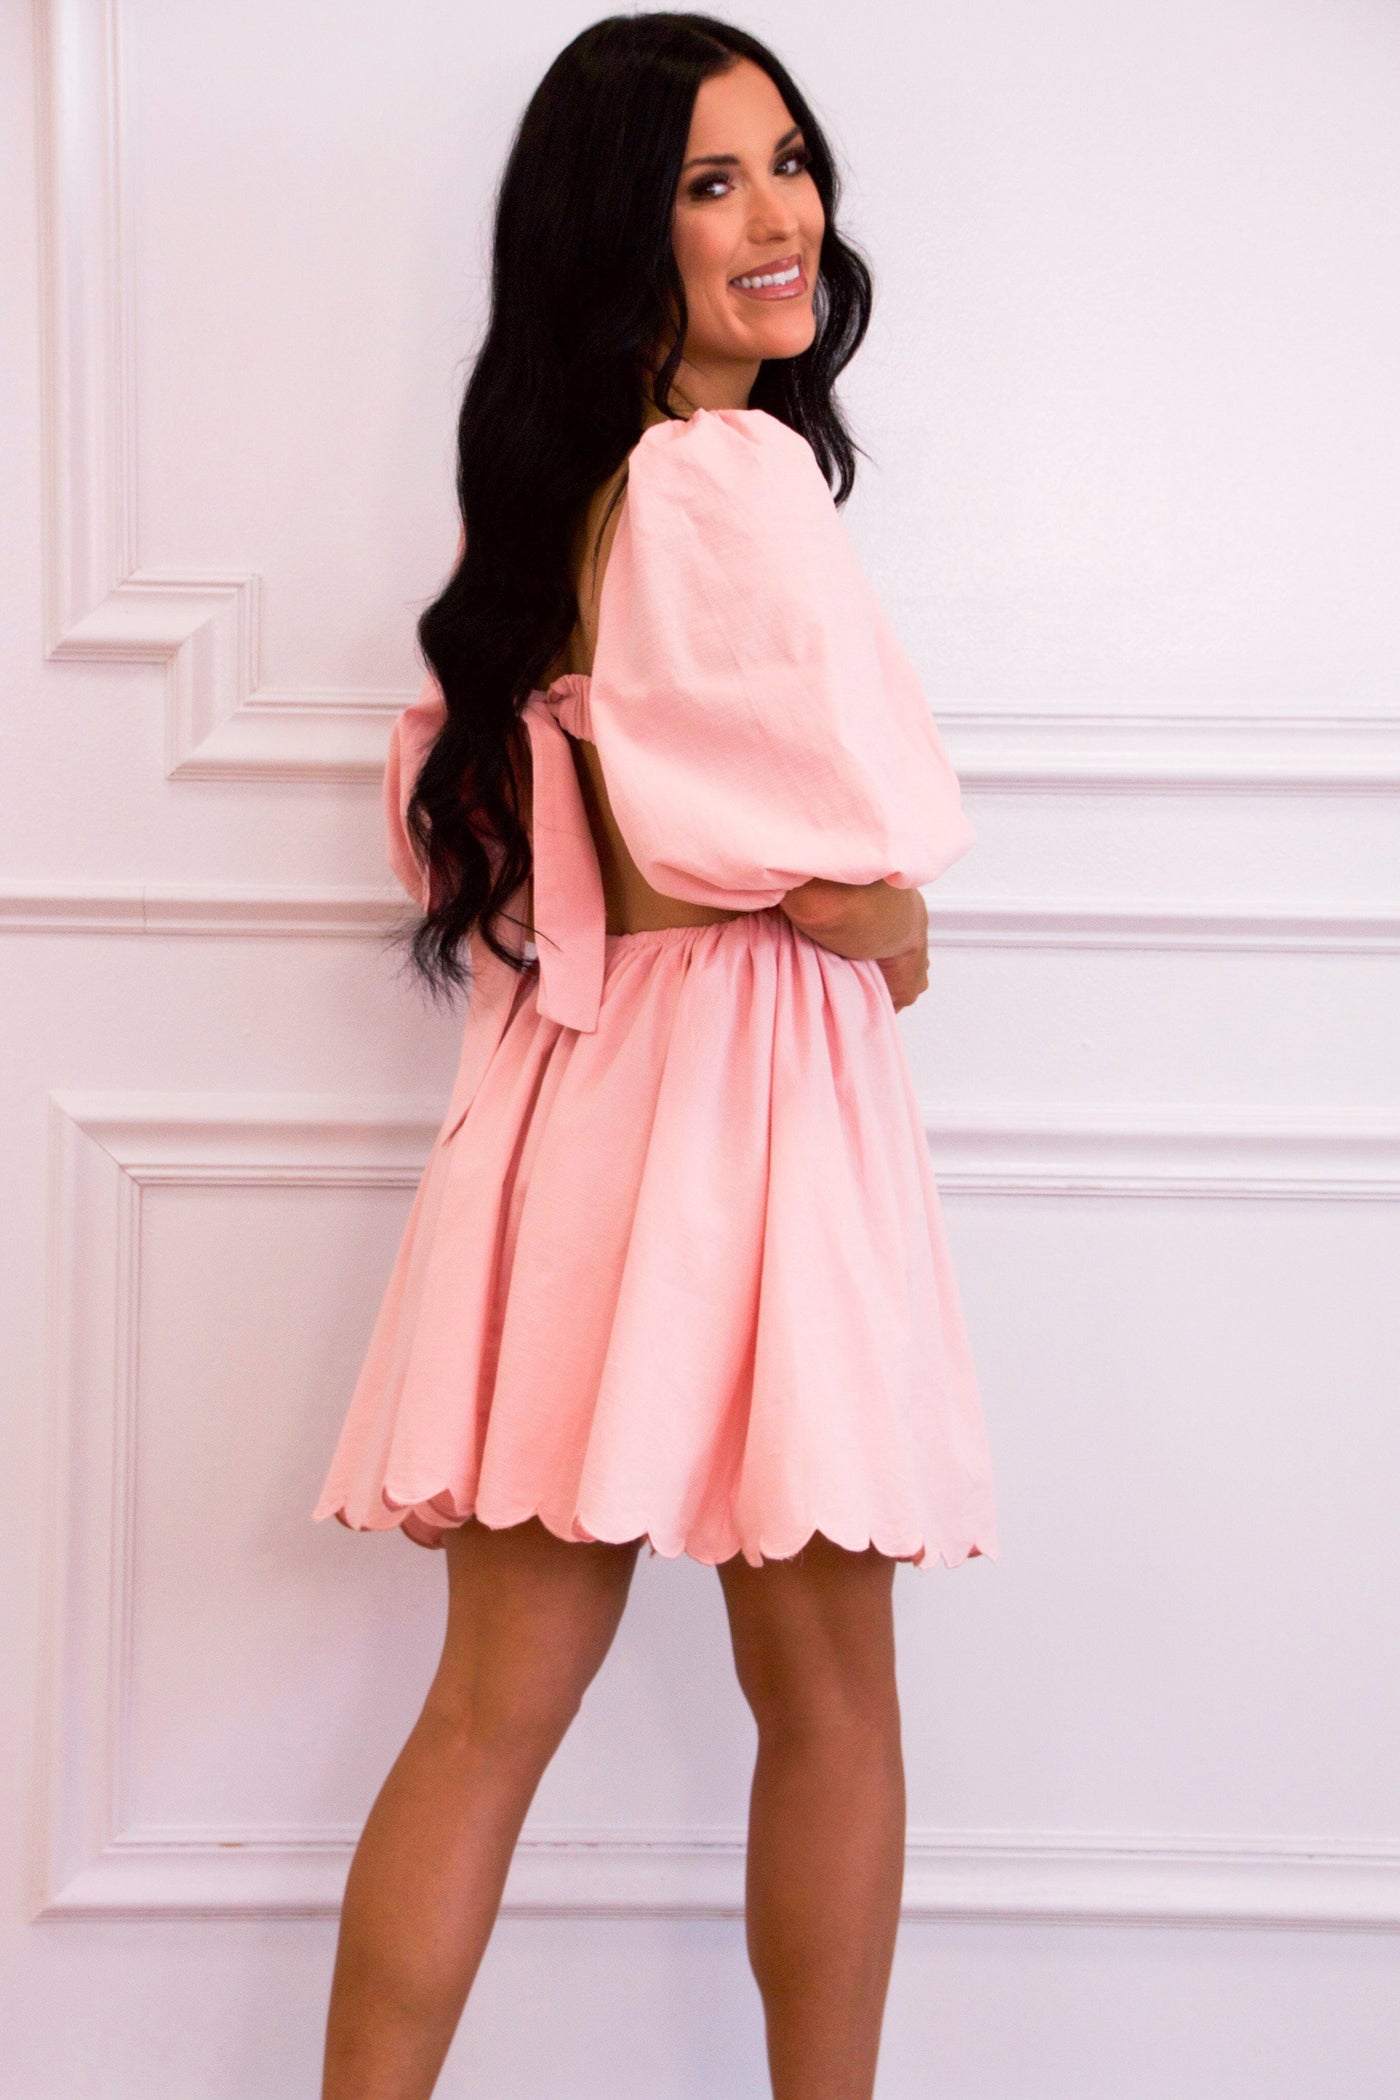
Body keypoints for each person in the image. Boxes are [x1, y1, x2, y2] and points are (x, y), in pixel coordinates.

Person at [312, 14, 999, 2097]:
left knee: (485, 1712)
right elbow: (853, 864)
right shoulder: (728, 474)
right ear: (618, 234)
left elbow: (551, 844)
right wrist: (896, 921)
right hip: (751, 1118)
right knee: (833, 1705)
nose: (781, 214)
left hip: (578, 1104)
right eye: (712, 182)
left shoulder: (551, 509)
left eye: (787, 159)